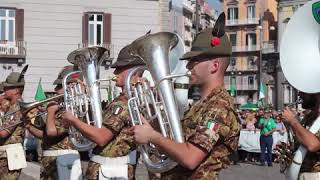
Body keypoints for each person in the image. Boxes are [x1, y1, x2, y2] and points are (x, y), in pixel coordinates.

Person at [132, 13, 240, 179]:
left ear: (214, 66)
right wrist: (154, 126)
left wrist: (153, 136)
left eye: (194, 61)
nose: (188, 66)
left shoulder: (219, 106)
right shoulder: (204, 104)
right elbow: (181, 144)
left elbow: (190, 158)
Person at [62, 44, 145, 180]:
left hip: (111, 172)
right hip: (107, 171)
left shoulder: (124, 103)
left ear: (134, 71)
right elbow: (99, 126)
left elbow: (100, 137)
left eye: (119, 69)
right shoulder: (125, 100)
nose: (114, 73)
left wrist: (73, 120)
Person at [26, 65, 83, 180]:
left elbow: (52, 132)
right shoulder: (61, 108)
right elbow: (45, 135)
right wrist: (27, 125)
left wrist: (51, 111)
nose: (56, 90)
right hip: (51, 160)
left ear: (71, 86)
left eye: (59, 86)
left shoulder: (73, 109)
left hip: (63, 160)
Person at [281, 92, 320, 179]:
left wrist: (292, 121)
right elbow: (302, 143)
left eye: (304, 91)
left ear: (316, 94)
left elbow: (313, 145)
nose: (299, 94)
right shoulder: (309, 117)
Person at [0, 70, 27, 180]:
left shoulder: (18, 107)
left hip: (11, 156)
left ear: (16, 90)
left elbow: (3, 133)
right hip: (6, 155)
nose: (4, 90)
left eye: (7, 88)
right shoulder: (11, 106)